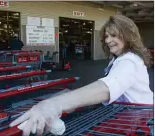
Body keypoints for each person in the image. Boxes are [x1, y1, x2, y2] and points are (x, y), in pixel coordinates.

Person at [10, 15, 153, 136]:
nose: (108, 40)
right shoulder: (121, 58)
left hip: (138, 122)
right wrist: (69, 99)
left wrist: (53, 105)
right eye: (106, 36)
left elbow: (106, 88)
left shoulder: (129, 61)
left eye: (114, 35)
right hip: (129, 117)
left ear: (127, 35)